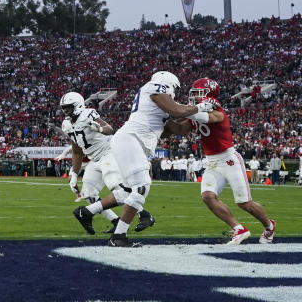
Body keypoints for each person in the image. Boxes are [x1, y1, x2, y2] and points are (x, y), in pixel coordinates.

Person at [73, 71, 209, 247]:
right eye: (174, 88)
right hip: (130, 140)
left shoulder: (156, 104)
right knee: (142, 186)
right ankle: (118, 236)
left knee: (127, 191)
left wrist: (197, 119)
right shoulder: (154, 88)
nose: (174, 92)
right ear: (167, 83)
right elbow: (177, 110)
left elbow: (177, 129)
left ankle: (87, 212)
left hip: (131, 142)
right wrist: (200, 108)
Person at [173, 78, 276, 244]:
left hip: (229, 160)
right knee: (207, 196)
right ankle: (239, 229)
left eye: (199, 94)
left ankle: (269, 225)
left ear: (210, 95)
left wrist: (182, 111)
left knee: (244, 203)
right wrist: (162, 122)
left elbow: (212, 118)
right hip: (212, 162)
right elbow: (178, 128)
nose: (195, 97)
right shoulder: (196, 113)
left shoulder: (217, 110)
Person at [58, 93, 155, 235]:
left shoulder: (88, 114)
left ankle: (144, 215)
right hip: (95, 159)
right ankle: (116, 221)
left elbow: (109, 128)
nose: (66, 112)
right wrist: (73, 174)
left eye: (68, 108)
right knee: (88, 193)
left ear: (78, 105)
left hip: (109, 153)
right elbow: (77, 151)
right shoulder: (66, 124)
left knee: (117, 187)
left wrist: (101, 129)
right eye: (64, 108)